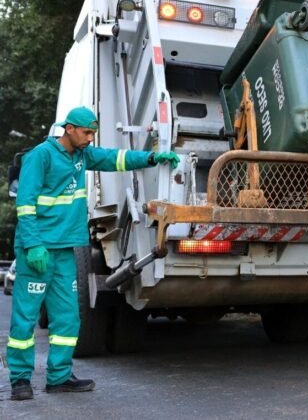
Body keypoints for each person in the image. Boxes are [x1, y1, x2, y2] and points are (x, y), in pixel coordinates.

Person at [8, 106, 180, 401]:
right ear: (69, 129)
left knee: (67, 318)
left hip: (64, 251)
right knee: (25, 317)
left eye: (93, 133)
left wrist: (151, 158)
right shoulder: (41, 156)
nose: (90, 138)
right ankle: (20, 380)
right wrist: (33, 244)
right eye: (86, 132)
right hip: (37, 250)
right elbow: (25, 204)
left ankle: (59, 377)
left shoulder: (82, 155)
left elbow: (116, 159)